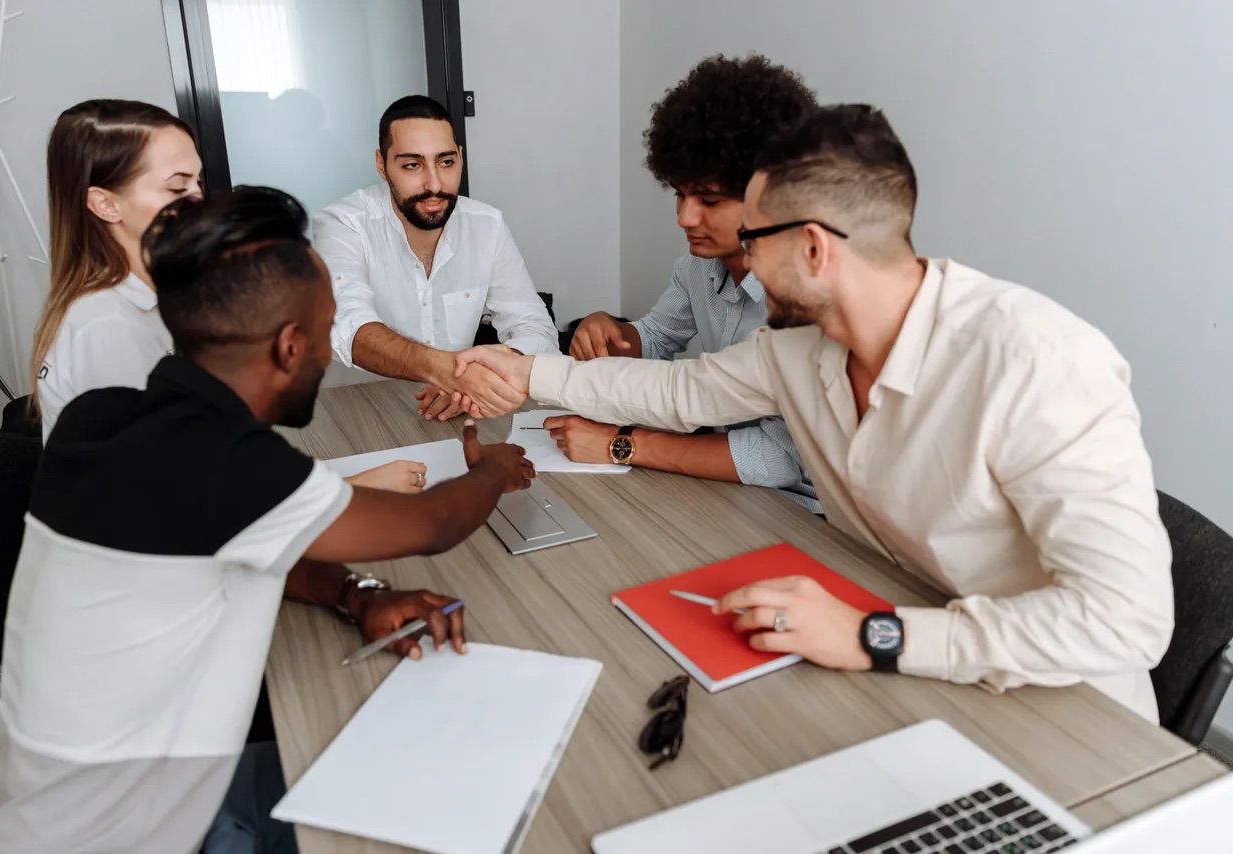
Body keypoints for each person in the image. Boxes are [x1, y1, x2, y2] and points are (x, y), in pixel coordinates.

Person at [453, 105, 1174, 721]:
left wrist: (874, 636)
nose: (741, 257)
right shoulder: (802, 350)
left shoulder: (1040, 363)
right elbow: (679, 393)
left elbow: (1126, 622)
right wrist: (528, 373)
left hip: (1067, 710)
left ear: (813, 248)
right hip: (909, 665)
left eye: (752, 238)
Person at [0, 187, 535, 853]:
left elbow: (232, 545)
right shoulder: (226, 465)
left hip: (54, 809)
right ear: (291, 348)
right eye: (326, 337)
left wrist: (356, 594)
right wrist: (492, 467)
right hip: (140, 834)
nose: (328, 356)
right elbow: (434, 523)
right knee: (460, 797)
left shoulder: (106, 414)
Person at [31, 100, 423, 491]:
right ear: (105, 204)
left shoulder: (161, 295)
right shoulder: (106, 326)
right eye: (176, 186)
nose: (198, 201)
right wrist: (350, 490)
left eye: (196, 183)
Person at [557, 55, 821, 513]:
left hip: (803, 513)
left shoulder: (807, 297)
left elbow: (776, 460)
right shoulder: (698, 266)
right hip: (725, 486)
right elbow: (658, 337)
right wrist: (611, 332)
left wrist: (619, 444)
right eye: (680, 193)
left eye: (710, 200)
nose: (684, 217)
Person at [314, 94, 559, 423]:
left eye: (446, 162)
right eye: (412, 165)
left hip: (452, 416)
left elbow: (535, 327)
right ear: (381, 164)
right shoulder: (343, 224)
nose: (434, 184)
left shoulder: (487, 225)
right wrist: (446, 371)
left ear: (460, 157)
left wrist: (483, 375)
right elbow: (347, 324)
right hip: (354, 416)